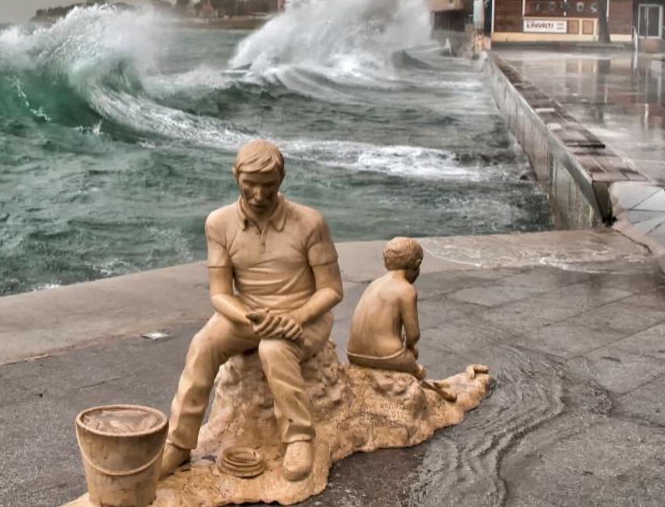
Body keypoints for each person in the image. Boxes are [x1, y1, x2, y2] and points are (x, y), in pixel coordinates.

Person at [161, 139, 343, 482]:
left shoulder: (309, 222)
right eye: (250, 186)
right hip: (247, 315)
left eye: (269, 186)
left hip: (304, 316)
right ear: (235, 177)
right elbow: (219, 294)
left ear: (282, 180)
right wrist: (249, 318)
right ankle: (179, 442)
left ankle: (299, 437)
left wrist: (295, 318)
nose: (259, 195)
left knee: (274, 349)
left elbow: (332, 289)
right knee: (202, 344)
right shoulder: (219, 223)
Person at [346, 237, 455, 400]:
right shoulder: (406, 290)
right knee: (415, 366)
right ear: (416, 265)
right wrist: (410, 347)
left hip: (353, 353)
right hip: (387, 356)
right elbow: (414, 335)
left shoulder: (374, 283)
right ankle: (429, 389)